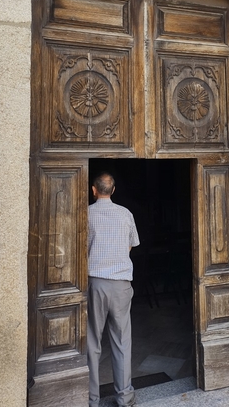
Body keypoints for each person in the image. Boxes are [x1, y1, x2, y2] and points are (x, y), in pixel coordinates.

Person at [87, 172, 140, 407]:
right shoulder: (125, 214)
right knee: (121, 340)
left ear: (93, 190)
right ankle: (125, 397)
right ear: (114, 190)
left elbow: (82, 248)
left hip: (96, 283)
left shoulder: (87, 214)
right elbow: (130, 246)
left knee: (92, 342)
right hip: (120, 284)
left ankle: (91, 399)